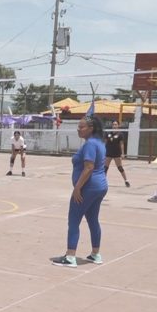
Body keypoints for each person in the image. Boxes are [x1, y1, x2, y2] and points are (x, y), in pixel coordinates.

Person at [52, 115, 108, 268]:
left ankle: (70, 257)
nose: (78, 128)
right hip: (100, 186)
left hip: (88, 187)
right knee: (93, 219)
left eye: (82, 126)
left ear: (91, 128)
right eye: (78, 126)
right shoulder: (100, 142)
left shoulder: (90, 144)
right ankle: (95, 254)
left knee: (74, 220)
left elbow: (89, 168)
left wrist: (77, 188)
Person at [104, 120, 130, 187]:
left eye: (116, 124)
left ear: (118, 126)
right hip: (108, 152)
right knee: (105, 168)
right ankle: (102, 181)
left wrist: (123, 153)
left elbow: (121, 144)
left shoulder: (120, 134)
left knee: (120, 167)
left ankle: (126, 180)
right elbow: (105, 143)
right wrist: (103, 151)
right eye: (113, 124)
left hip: (117, 153)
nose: (114, 126)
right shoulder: (108, 133)